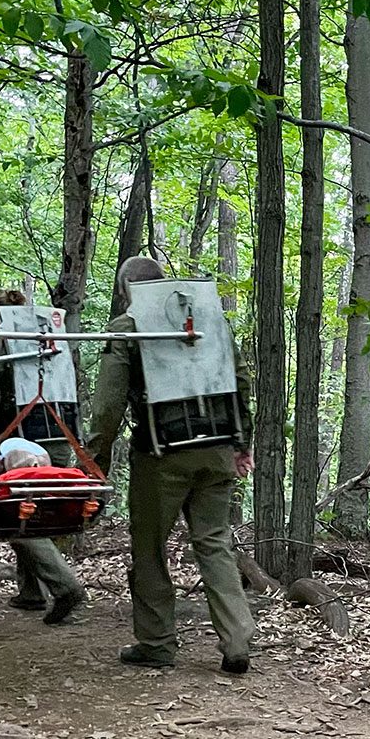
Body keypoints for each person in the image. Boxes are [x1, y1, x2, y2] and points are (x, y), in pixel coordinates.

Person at [86, 256, 255, 674]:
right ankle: (236, 642)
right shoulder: (208, 320)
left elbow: (108, 403)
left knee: (149, 547)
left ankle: (157, 643)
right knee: (214, 542)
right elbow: (241, 381)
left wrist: (95, 458)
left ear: (126, 291)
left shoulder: (128, 326)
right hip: (217, 448)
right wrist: (241, 443)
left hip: (161, 455)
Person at [0, 287, 89, 625]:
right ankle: (31, 591)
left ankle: (64, 586)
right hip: (60, 438)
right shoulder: (48, 338)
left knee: (15, 518)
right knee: (35, 514)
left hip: (20, 446)